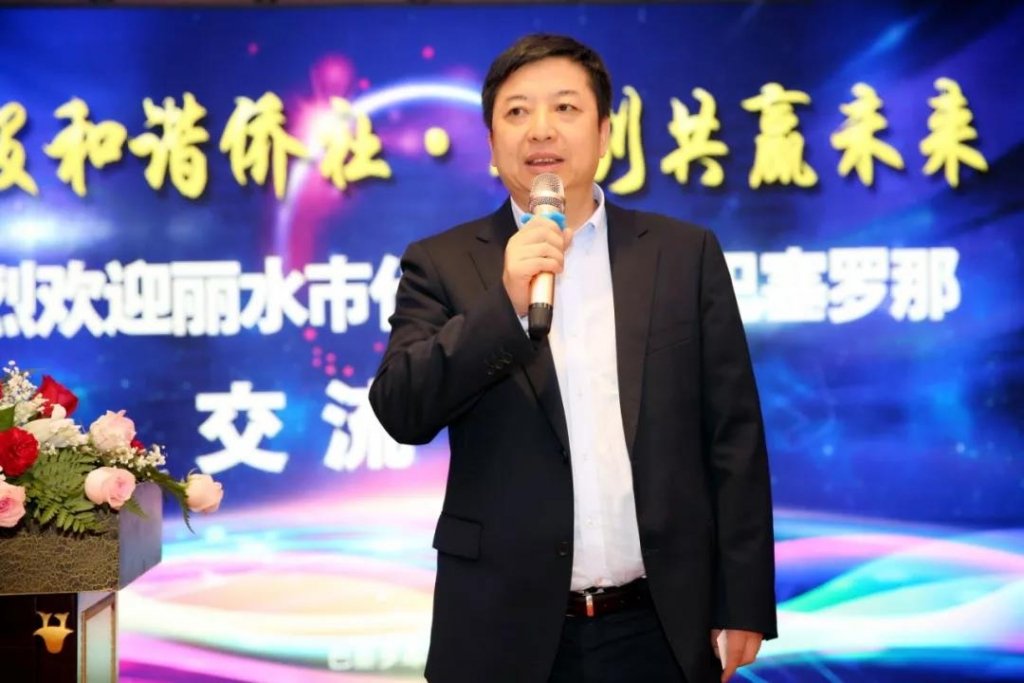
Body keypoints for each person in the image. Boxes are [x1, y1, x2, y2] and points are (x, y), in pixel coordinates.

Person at [370, 33, 777, 683]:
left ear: (605, 130)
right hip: (499, 628)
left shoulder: (682, 254)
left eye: (565, 107)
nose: (541, 129)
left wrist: (744, 599)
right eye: (517, 111)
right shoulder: (441, 262)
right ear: (491, 141)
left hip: (660, 624)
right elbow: (401, 407)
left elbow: (733, 437)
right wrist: (503, 307)